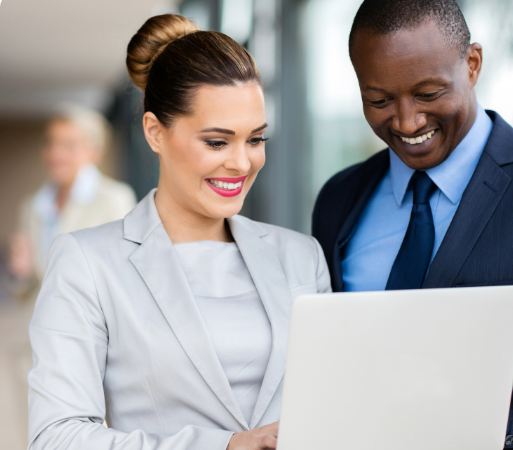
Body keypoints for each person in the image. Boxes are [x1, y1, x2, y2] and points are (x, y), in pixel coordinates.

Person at [311, 0, 513, 448]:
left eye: (428, 93)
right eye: (378, 100)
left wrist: (466, 399)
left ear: (473, 63)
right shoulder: (339, 200)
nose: (407, 121)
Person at [27, 14, 331, 450]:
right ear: (154, 132)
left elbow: (330, 404)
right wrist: (224, 446)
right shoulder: (87, 263)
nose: (242, 163)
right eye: (216, 142)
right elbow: (57, 437)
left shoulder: (302, 257)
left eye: (255, 139)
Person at [8, 106, 137, 298]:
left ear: (95, 152)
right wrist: (21, 274)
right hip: (43, 325)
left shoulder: (114, 199)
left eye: (69, 145)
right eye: (49, 143)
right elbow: (27, 292)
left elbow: (126, 274)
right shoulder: (32, 206)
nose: (55, 154)